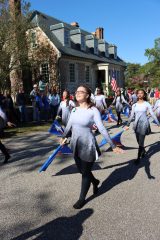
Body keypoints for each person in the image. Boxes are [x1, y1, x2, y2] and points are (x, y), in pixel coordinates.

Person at [60, 84, 123, 209]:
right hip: (75, 144)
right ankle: (95, 181)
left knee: (85, 173)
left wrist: (112, 145)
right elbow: (69, 126)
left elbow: (102, 128)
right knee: (82, 170)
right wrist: (64, 137)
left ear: (87, 95)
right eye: (77, 91)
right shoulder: (74, 109)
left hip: (88, 145)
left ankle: (82, 199)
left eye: (81, 92)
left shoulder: (93, 110)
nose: (77, 93)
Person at [125, 89, 160, 164]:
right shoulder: (134, 105)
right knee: (138, 140)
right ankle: (143, 150)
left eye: (141, 93)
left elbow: (152, 114)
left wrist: (158, 123)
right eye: (138, 93)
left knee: (141, 142)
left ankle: (138, 158)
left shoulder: (147, 104)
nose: (140, 94)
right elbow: (131, 116)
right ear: (137, 95)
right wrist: (127, 124)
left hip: (144, 124)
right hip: (136, 124)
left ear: (144, 95)